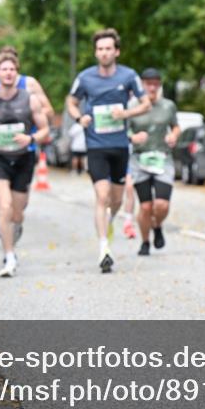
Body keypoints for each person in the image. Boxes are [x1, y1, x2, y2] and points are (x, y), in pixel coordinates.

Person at [65, 28, 151, 273]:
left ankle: (109, 224)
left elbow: (145, 103)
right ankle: (104, 248)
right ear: (96, 52)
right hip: (96, 145)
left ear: (116, 51)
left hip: (120, 145)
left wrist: (126, 113)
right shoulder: (85, 77)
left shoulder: (128, 76)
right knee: (102, 196)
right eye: (100, 49)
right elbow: (71, 102)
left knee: (116, 199)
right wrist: (80, 117)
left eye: (108, 49)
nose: (104, 53)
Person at [0, 53, 49, 278]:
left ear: (17, 74)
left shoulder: (30, 99)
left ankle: (10, 231)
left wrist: (31, 139)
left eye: (12, 70)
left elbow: (45, 130)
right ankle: (9, 256)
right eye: (4, 69)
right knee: (4, 205)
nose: (8, 73)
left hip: (23, 158)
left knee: (17, 212)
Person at [127, 69, 181, 256]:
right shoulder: (132, 106)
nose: (152, 87)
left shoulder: (168, 106)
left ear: (159, 85)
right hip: (140, 160)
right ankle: (145, 242)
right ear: (141, 85)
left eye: (155, 83)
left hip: (162, 159)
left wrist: (173, 135)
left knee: (161, 205)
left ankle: (157, 225)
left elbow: (175, 126)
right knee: (145, 206)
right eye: (148, 83)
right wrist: (133, 138)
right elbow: (124, 130)